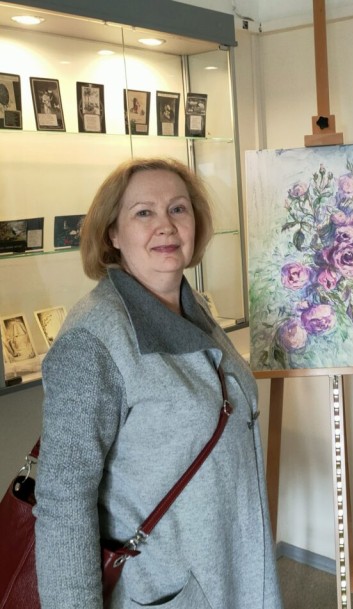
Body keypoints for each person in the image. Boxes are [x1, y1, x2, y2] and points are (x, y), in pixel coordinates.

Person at [34, 157, 283, 609]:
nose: (166, 225)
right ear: (113, 232)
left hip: (229, 566)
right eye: (144, 212)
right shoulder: (93, 339)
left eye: (178, 209)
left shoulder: (192, 305)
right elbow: (63, 501)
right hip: (166, 588)